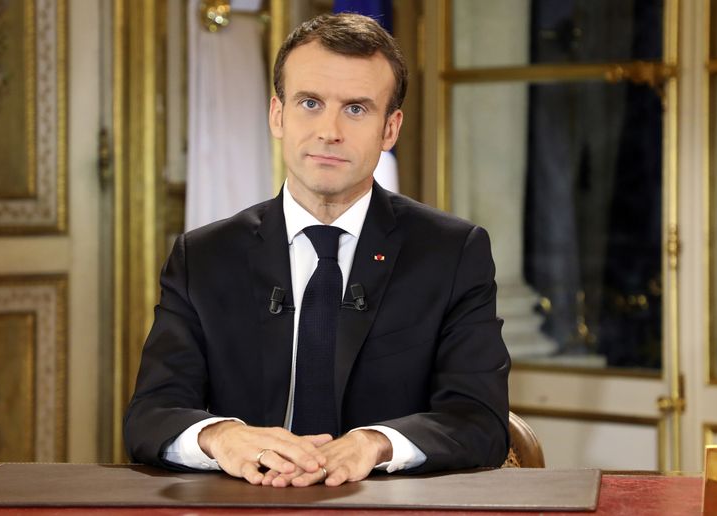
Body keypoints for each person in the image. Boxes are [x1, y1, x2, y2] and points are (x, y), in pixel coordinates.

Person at [124, 12, 510, 488]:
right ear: (277, 114)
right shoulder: (203, 256)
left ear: (390, 129)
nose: (329, 130)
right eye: (310, 102)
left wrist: (375, 442)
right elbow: (150, 416)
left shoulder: (452, 253)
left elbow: (480, 421)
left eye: (356, 109)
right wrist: (221, 438)